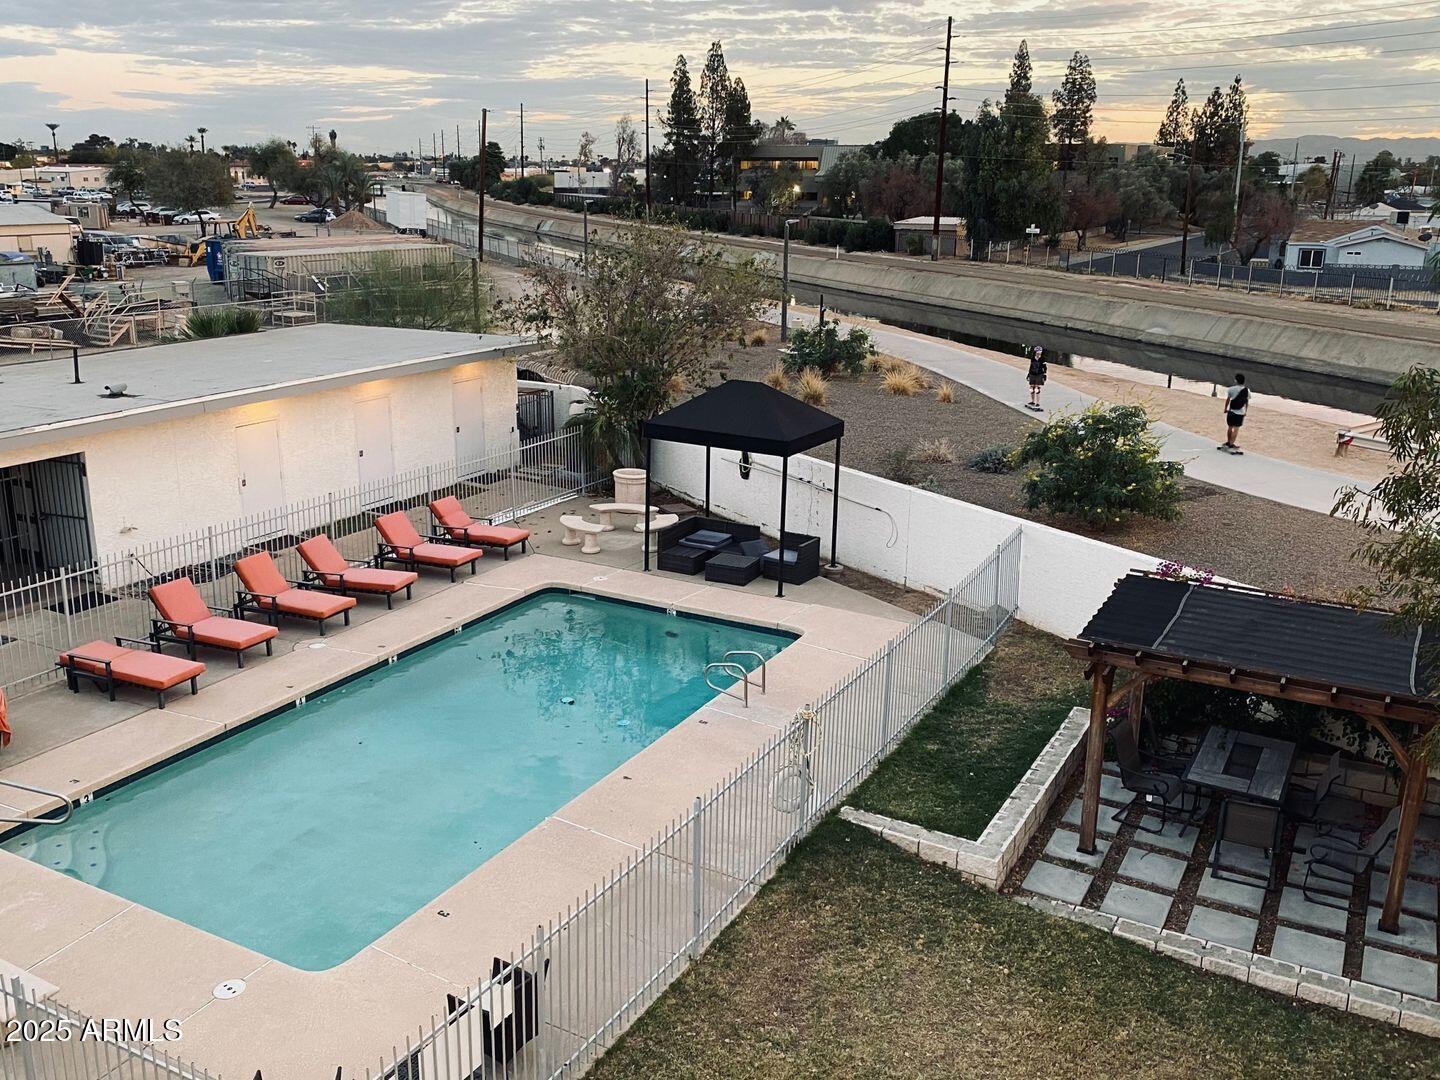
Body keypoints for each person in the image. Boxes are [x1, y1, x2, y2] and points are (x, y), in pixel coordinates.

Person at [1219, 373, 1249, 455]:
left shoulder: (1231, 389)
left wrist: (1225, 408)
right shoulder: (1247, 390)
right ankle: (1231, 444)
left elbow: (1228, 400)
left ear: (1236, 380)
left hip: (1231, 411)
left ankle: (1228, 442)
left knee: (1230, 427)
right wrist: (1246, 411)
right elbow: (1246, 401)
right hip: (1240, 413)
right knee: (1236, 429)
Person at [1025, 346, 1047, 411]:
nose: (1038, 354)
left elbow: (1045, 368)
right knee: (1032, 388)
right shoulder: (1033, 358)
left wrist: (1044, 375)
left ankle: (1037, 402)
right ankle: (1032, 401)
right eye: (1037, 353)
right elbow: (1031, 366)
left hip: (1039, 374)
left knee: (1037, 388)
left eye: (1040, 353)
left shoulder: (1043, 359)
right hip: (1032, 374)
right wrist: (1028, 374)